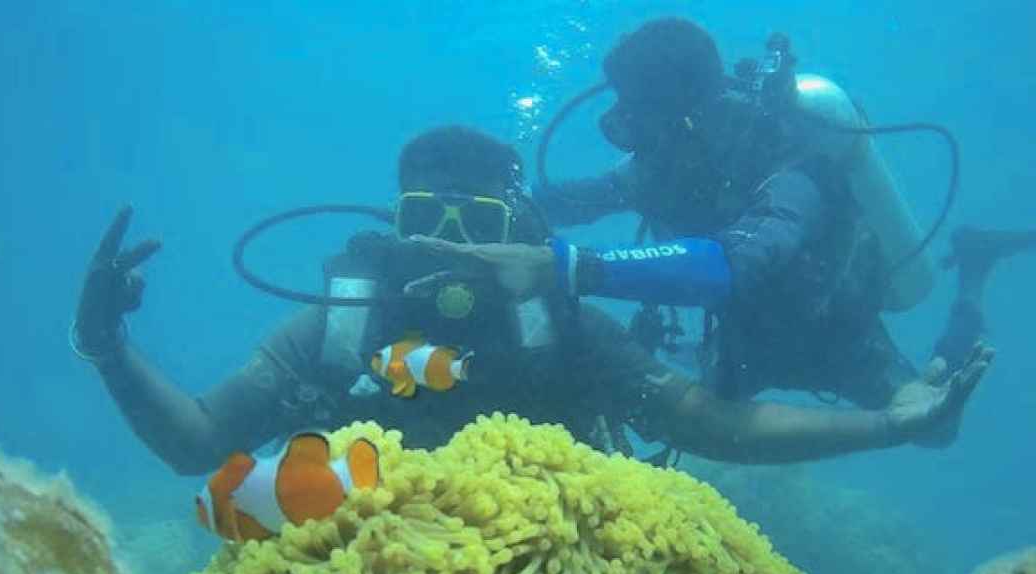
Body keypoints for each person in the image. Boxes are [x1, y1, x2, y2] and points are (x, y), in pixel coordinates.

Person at [71, 126, 989, 476]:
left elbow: (719, 427)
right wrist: (110, 349)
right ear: (392, 222)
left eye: (474, 220)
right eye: (424, 216)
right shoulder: (344, 324)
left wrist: (893, 424)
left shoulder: (562, 320)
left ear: (515, 223)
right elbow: (198, 442)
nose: (447, 241)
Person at [414, 19, 1030, 448]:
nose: (622, 126)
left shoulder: (793, 160)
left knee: (936, 425)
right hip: (740, 336)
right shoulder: (663, 162)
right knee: (699, 428)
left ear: (684, 112)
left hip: (832, 332)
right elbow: (575, 200)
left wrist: (572, 267)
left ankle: (973, 275)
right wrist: (467, 203)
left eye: (635, 110)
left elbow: (741, 262)